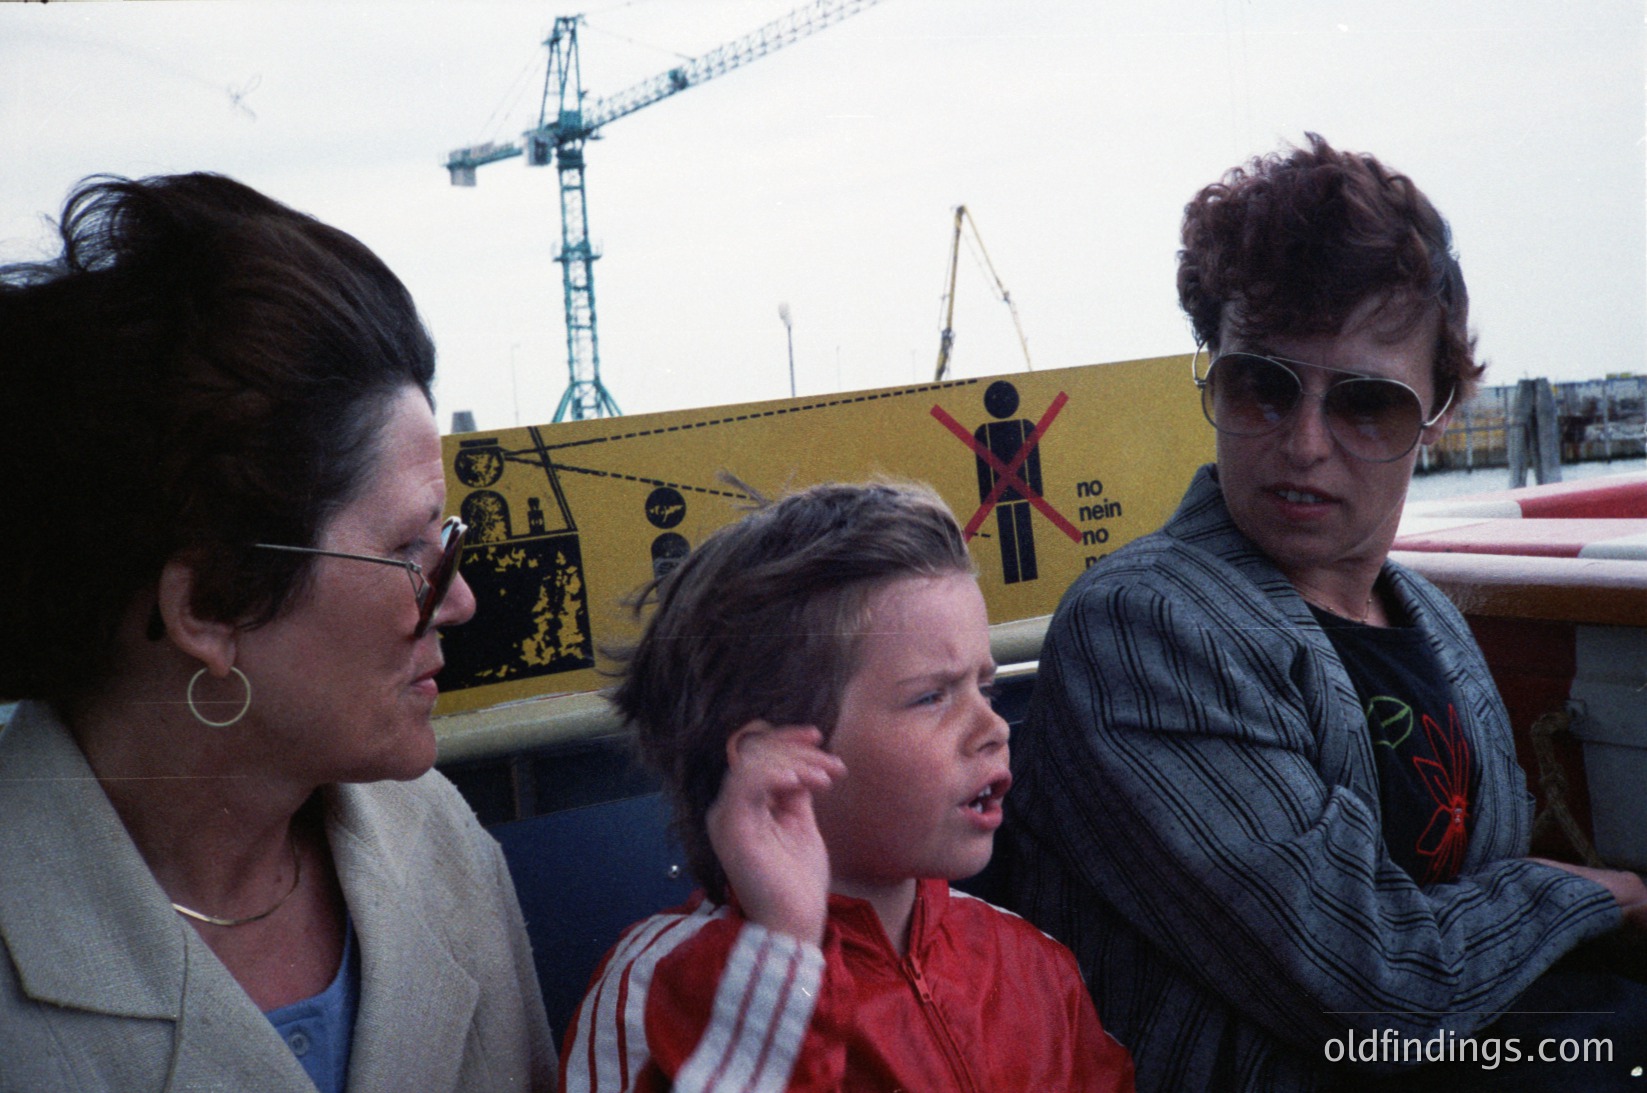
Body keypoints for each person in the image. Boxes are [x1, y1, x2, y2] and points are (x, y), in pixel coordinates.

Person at [1002, 134, 1647, 1092]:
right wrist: (1606, 892)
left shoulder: (1431, 620)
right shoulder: (1141, 627)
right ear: (1213, 378)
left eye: (1365, 405)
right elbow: (1375, 982)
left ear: (1433, 418)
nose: (1303, 443)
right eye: (1261, 385)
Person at [0, 174, 556, 1092]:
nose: (455, 601)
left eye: (443, 540)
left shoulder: (439, 846)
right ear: (212, 606)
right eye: (409, 547)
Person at [559, 481, 1135, 1092]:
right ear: (775, 761)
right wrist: (781, 955)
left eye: (984, 687)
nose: (992, 727)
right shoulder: (656, 985)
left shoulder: (1031, 963)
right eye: (932, 697)